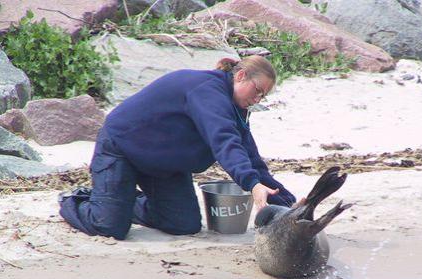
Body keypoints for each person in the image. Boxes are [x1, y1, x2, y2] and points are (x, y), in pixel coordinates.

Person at [59, 55, 296, 240]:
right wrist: (251, 185)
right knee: (109, 227)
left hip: (162, 164)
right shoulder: (208, 91)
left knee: (184, 225)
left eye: (263, 96)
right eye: (257, 91)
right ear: (241, 76)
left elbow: (251, 159)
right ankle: (76, 199)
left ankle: (117, 201)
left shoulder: (237, 110)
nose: (257, 100)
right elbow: (225, 142)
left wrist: (290, 205)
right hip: (123, 147)